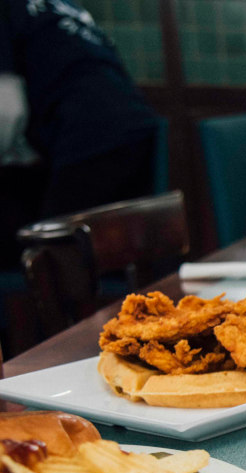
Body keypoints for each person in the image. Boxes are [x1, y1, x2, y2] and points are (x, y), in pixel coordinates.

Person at [0, 0, 162, 354]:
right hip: (134, 126)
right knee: (107, 259)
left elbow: (7, 112)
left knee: (50, 264)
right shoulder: (58, 7)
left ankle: (52, 364)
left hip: (89, 132)